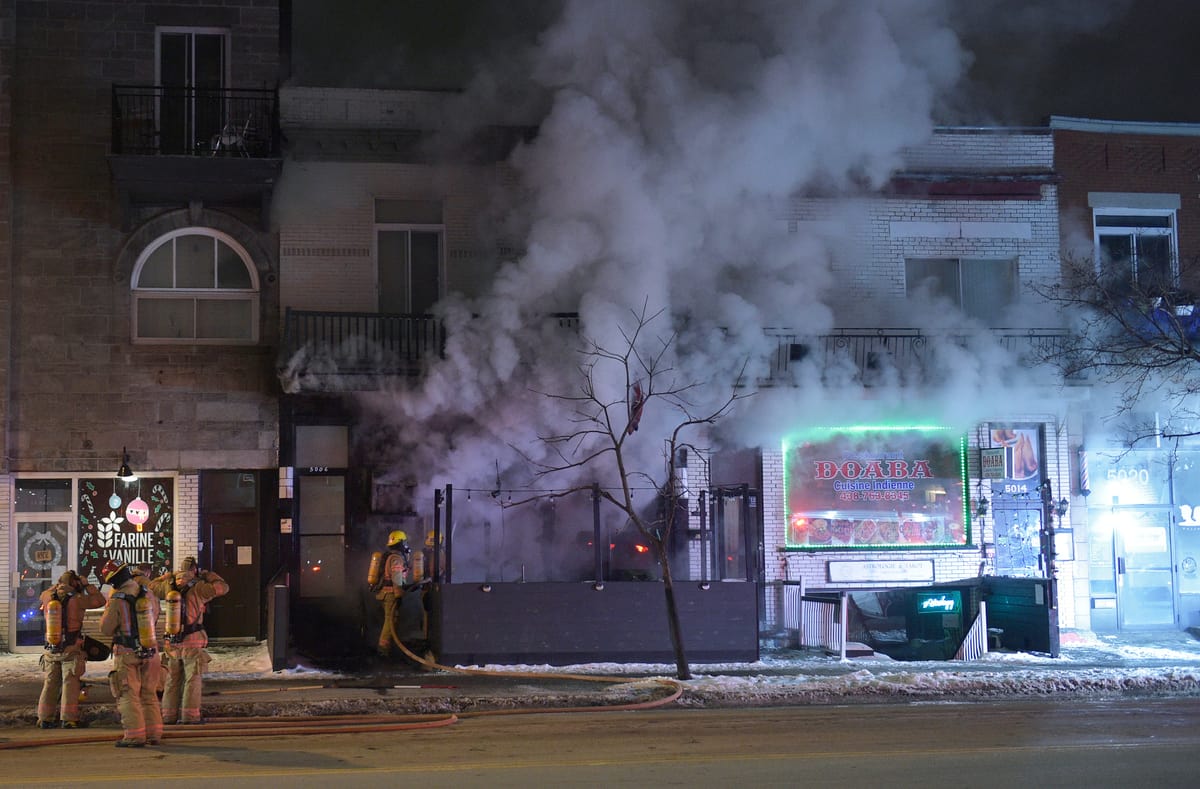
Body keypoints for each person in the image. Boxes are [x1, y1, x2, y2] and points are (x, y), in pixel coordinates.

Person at [149, 557, 229, 724]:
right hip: (192, 641)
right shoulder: (200, 587)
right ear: (195, 570)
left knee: (172, 680)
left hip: (172, 641)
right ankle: (190, 716)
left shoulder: (168, 586)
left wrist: (166, 576)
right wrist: (210, 576)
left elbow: (151, 586)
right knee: (192, 679)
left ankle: (168, 716)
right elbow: (223, 588)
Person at [98, 559, 163, 747]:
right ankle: (154, 734)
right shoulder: (148, 594)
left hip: (127, 654)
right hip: (150, 650)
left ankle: (134, 736)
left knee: (128, 695)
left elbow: (106, 629)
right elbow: (156, 616)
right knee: (149, 694)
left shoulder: (118, 599)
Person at [37, 570, 105, 729]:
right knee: (70, 684)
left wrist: (58, 586)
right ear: (75, 584)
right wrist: (87, 585)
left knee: (50, 683)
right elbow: (100, 600)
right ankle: (68, 719)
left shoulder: (48, 597)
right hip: (71, 648)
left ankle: (44, 718)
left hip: (52, 648)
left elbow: (42, 594)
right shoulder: (79, 599)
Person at [371, 530, 413, 658]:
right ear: (400, 543)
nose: (406, 544)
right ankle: (383, 650)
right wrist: (399, 595)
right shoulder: (396, 559)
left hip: (386, 594)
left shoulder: (390, 556)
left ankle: (386, 647)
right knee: (390, 622)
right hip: (391, 595)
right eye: (404, 542)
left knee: (390, 621)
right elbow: (396, 579)